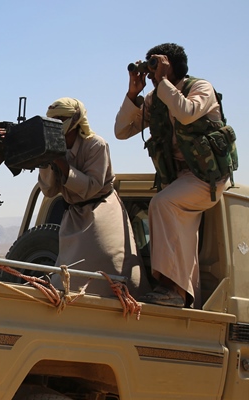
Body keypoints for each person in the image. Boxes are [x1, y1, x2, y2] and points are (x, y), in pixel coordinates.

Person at [114, 43, 230, 308]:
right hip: (180, 179)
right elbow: (122, 130)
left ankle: (169, 289)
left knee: (162, 203)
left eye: (155, 67)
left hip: (206, 177)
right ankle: (187, 298)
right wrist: (133, 94)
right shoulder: (157, 99)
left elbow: (186, 113)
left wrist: (164, 80)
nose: (151, 74)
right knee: (187, 243)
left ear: (170, 66)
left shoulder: (200, 89)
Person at [39, 97, 150, 298]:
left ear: (75, 120)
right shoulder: (57, 147)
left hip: (100, 212)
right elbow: (49, 190)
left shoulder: (96, 145)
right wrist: (45, 161)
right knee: (65, 280)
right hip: (74, 216)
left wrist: (63, 164)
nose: (55, 125)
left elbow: (92, 186)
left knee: (108, 270)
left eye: (60, 119)